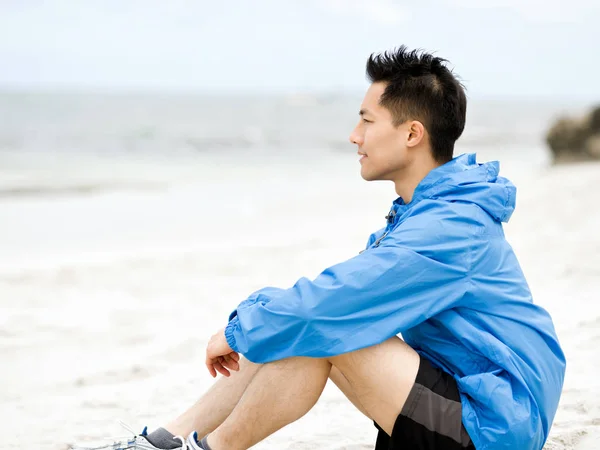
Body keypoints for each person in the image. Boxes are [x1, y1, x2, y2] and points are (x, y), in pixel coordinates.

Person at [72, 46, 566, 450]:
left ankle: (207, 449)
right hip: (470, 401)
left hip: (494, 426)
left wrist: (243, 324)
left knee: (321, 328)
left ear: (413, 133)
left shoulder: (451, 226)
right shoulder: (427, 213)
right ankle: (169, 440)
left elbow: (335, 302)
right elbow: (336, 293)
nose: (355, 136)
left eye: (368, 122)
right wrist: (255, 319)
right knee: (305, 321)